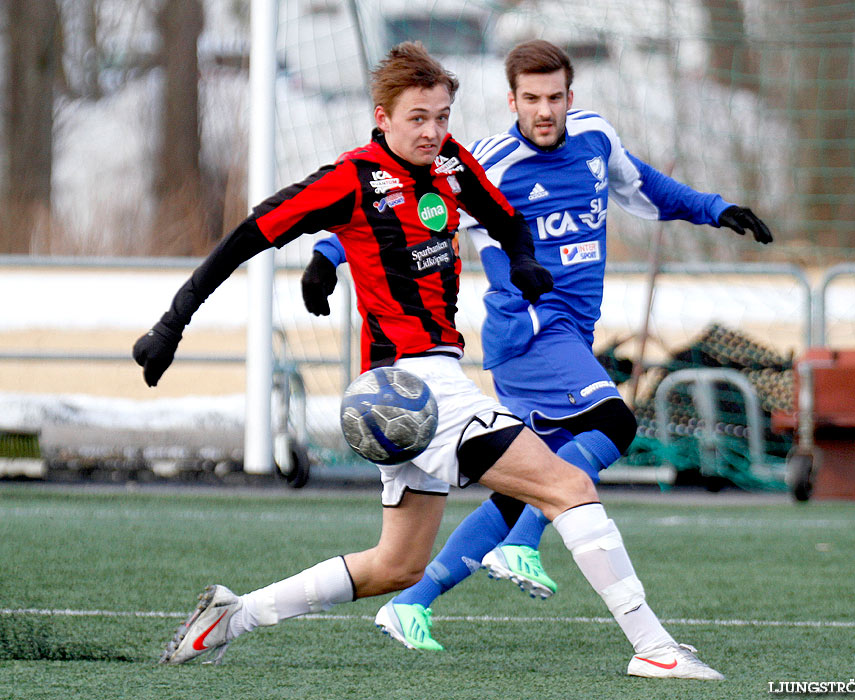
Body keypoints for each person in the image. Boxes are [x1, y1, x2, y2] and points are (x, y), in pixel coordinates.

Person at [132, 41, 722, 680]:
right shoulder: (349, 179)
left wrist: (522, 259)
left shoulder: (450, 164)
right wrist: (173, 322)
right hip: (414, 385)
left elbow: (506, 220)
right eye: (419, 117)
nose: (434, 131)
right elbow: (249, 234)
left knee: (397, 566)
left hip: (418, 389)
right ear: (382, 117)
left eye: (443, 116)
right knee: (569, 485)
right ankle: (655, 649)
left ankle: (231, 616)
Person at [301, 40, 773, 654]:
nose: (544, 110)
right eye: (531, 99)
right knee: (614, 422)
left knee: (527, 481)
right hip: (527, 332)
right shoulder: (490, 163)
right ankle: (524, 544)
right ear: (512, 100)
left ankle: (410, 602)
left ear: (571, 98)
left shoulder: (596, 140)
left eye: (555, 98)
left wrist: (715, 209)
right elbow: (400, 215)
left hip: (571, 334)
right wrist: (326, 253)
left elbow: (645, 187)